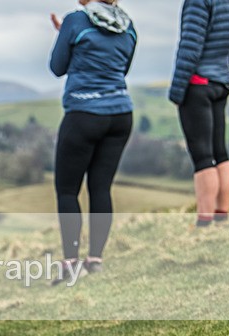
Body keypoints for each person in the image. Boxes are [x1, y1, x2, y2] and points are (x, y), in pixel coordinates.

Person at [49, 0, 137, 283]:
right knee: (101, 187)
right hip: (120, 114)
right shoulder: (129, 26)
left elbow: (57, 67)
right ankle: (95, 259)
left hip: (84, 113)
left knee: (67, 190)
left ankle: (71, 263)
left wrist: (66, 34)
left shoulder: (76, 20)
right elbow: (120, 69)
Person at [169, 0, 229, 227]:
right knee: (220, 151)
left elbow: (190, 46)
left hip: (198, 85)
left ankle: (204, 221)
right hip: (220, 81)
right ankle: (222, 214)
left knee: (202, 157)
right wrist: (219, 68)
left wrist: (177, 92)